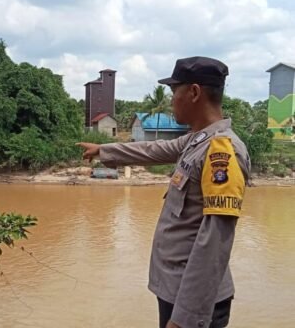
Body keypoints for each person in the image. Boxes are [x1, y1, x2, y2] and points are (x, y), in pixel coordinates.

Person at [77, 56, 251, 328]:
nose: (171, 101)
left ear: (194, 92)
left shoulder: (222, 152)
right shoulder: (198, 139)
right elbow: (154, 149)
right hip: (175, 289)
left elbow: (215, 241)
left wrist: (185, 318)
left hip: (193, 303)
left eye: (174, 92)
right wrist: (104, 151)